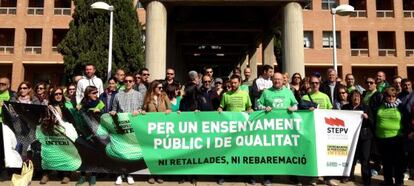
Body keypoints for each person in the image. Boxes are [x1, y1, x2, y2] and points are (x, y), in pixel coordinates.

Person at [109, 75, 144, 185]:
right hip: (120, 127)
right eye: (126, 81)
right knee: (121, 151)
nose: (128, 83)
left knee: (131, 152)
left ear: (134, 82)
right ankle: (120, 174)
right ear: (123, 82)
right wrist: (113, 112)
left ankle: (129, 174)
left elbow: (142, 109)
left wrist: (139, 111)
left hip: (134, 128)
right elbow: (113, 109)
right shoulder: (117, 95)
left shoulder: (139, 95)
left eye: (130, 81)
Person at [39, 87, 78, 184]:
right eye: (56, 94)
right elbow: (42, 120)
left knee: (66, 153)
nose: (58, 96)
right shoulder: (48, 106)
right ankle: (46, 174)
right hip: (51, 132)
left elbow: (72, 119)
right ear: (53, 96)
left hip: (65, 133)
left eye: (60, 94)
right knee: (49, 153)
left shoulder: (67, 105)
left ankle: (66, 175)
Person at [374, 87, 406, 186]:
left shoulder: (401, 106)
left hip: (397, 138)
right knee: (386, 162)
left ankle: (399, 182)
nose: (391, 98)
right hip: (382, 138)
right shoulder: (379, 106)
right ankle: (388, 181)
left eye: (394, 96)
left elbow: (407, 119)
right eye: (389, 96)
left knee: (398, 162)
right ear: (385, 96)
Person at [341, 90, 373, 185]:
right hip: (350, 137)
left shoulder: (366, 108)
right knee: (351, 157)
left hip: (365, 137)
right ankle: (348, 176)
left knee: (365, 158)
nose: (356, 98)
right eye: (354, 96)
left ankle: (366, 179)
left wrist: (367, 118)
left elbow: (373, 123)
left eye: (358, 96)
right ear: (350, 98)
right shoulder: (345, 108)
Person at [142, 80, 171, 184]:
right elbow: (144, 109)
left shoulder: (164, 96)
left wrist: (168, 111)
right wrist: (143, 112)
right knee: (152, 153)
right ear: (153, 88)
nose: (161, 89)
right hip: (151, 129)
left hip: (162, 129)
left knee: (161, 153)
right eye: (159, 87)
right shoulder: (148, 97)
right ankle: (151, 174)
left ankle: (160, 174)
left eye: (162, 87)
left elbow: (170, 108)